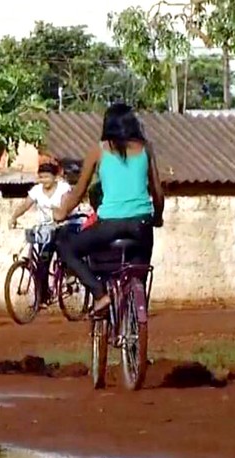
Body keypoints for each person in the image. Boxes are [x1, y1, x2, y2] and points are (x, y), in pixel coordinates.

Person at [54, 103, 165, 315]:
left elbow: (78, 192)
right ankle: (134, 314)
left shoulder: (99, 150)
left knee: (66, 247)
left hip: (109, 226)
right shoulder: (145, 149)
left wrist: (61, 213)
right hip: (142, 226)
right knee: (138, 272)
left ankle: (99, 294)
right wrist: (157, 217)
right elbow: (157, 192)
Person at [9, 161, 72, 306]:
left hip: (63, 226)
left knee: (56, 251)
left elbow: (65, 208)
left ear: (55, 177)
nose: (44, 181)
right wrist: (14, 216)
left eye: (47, 177)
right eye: (41, 177)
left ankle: (69, 274)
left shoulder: (63, 189)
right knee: (42, 263)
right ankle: (43, 296)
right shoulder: (36, 190)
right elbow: (25, 205)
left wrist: (58, 216)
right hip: (45, 229)